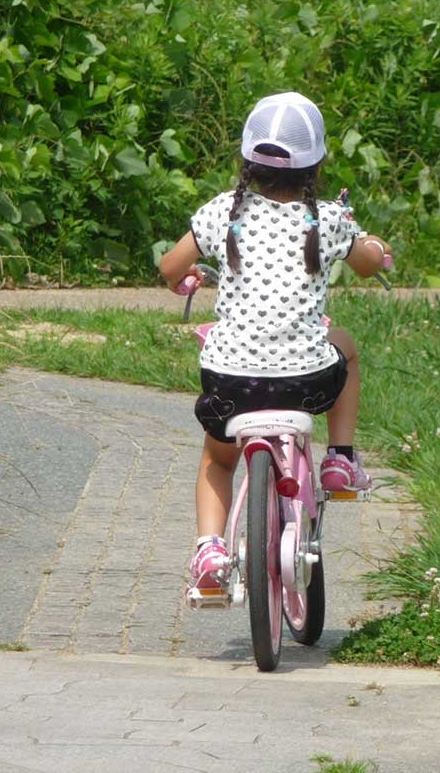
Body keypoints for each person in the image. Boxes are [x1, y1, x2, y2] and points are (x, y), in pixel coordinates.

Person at [159, 91, 392, 593]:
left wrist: (185, 278)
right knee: (346, 344)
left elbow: (170, 266)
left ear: (246, 157)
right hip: (306, 381)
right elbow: (368, 262)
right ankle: (341, 458)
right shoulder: (328, 219)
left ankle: (210, 551)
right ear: (317, 162)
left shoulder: (223, 212)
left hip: (231, 381)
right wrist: (377, 248)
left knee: (218, 460)